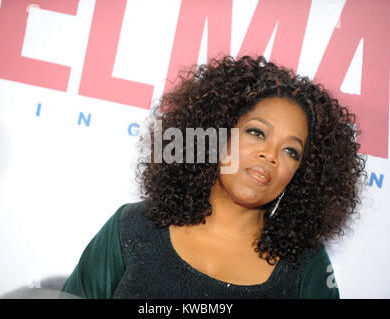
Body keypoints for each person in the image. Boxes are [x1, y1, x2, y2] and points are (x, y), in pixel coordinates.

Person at [60, 56, 366, 299]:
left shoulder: (305, 267)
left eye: (291, 151)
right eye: (256, 132)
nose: (270, 155)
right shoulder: (133, 228)